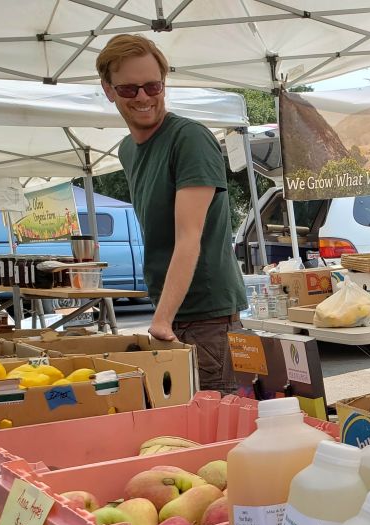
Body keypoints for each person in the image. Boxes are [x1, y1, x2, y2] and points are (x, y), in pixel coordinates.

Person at [97, 34, 247, 393]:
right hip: (174, 314)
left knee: (213, 428)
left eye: (153, 85)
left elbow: (188, 236)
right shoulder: (127, 151)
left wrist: (161, 319)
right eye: (130, 89)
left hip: (207, 315)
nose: (144, 97)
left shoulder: (189, 139)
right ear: (109, 90)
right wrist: (163, 315)